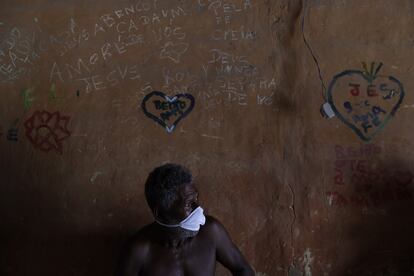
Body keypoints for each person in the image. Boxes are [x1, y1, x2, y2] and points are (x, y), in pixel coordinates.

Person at [116, 163, 254, 276]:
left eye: (196, 199)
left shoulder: (211, 232)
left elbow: (243, 270)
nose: (199, 209)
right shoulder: (140, 251)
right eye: (188, 204)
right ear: (159, 213)